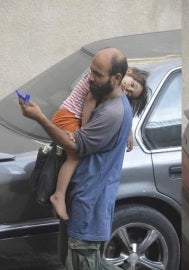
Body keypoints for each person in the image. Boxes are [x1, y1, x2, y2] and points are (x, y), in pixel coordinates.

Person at [19, 47, 132, 270]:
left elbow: (74, 146)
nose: (90, 78)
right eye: (91, 71)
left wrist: (41, 117)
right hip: (80, 208)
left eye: (98, 75)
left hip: (88, 214)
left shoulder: (112, 113)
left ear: (117, 78)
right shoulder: (106, 101)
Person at [50, 66, 149, 220]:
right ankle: (58, 195)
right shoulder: (102, 83)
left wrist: (128, 130)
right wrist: (85, 131)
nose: (127, 89)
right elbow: (90, 101)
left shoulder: (111, 86)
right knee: (74, 156)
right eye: (132, 85)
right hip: (68, 116)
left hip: (72, 116)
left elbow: (121, 108)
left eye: (130, 92)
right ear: (128, 72)